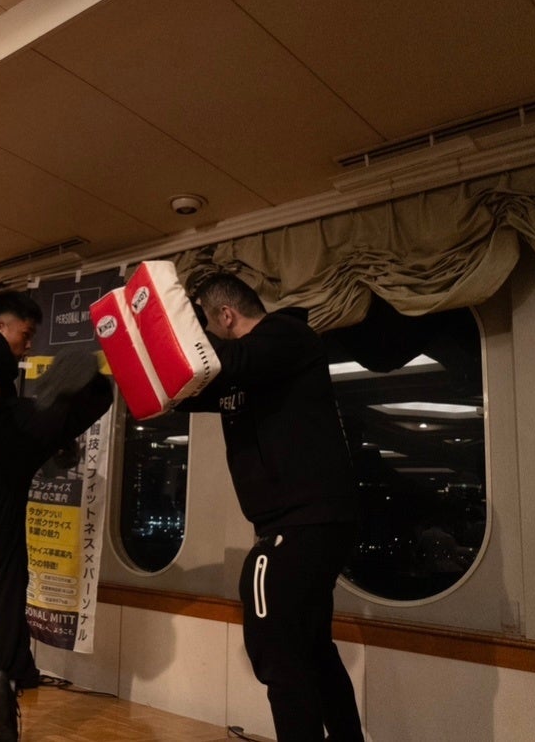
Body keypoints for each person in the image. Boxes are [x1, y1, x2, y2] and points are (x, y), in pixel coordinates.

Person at [175, 272, 364, 742]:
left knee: (276, 651)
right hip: (309, 522)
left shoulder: (286, 335)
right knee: (312, 649)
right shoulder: (246, 371)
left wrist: (181, 324)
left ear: (225, 316)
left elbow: (227, 360)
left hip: (300, 523)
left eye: (207, 325)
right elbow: (186, 392)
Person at [0, 290, 112, 742]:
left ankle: (9, 674)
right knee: (100, 388)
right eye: (25, 334)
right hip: (2, 448)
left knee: (13, 572)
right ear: (1, 325)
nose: (27, 345)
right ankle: (52, 409)